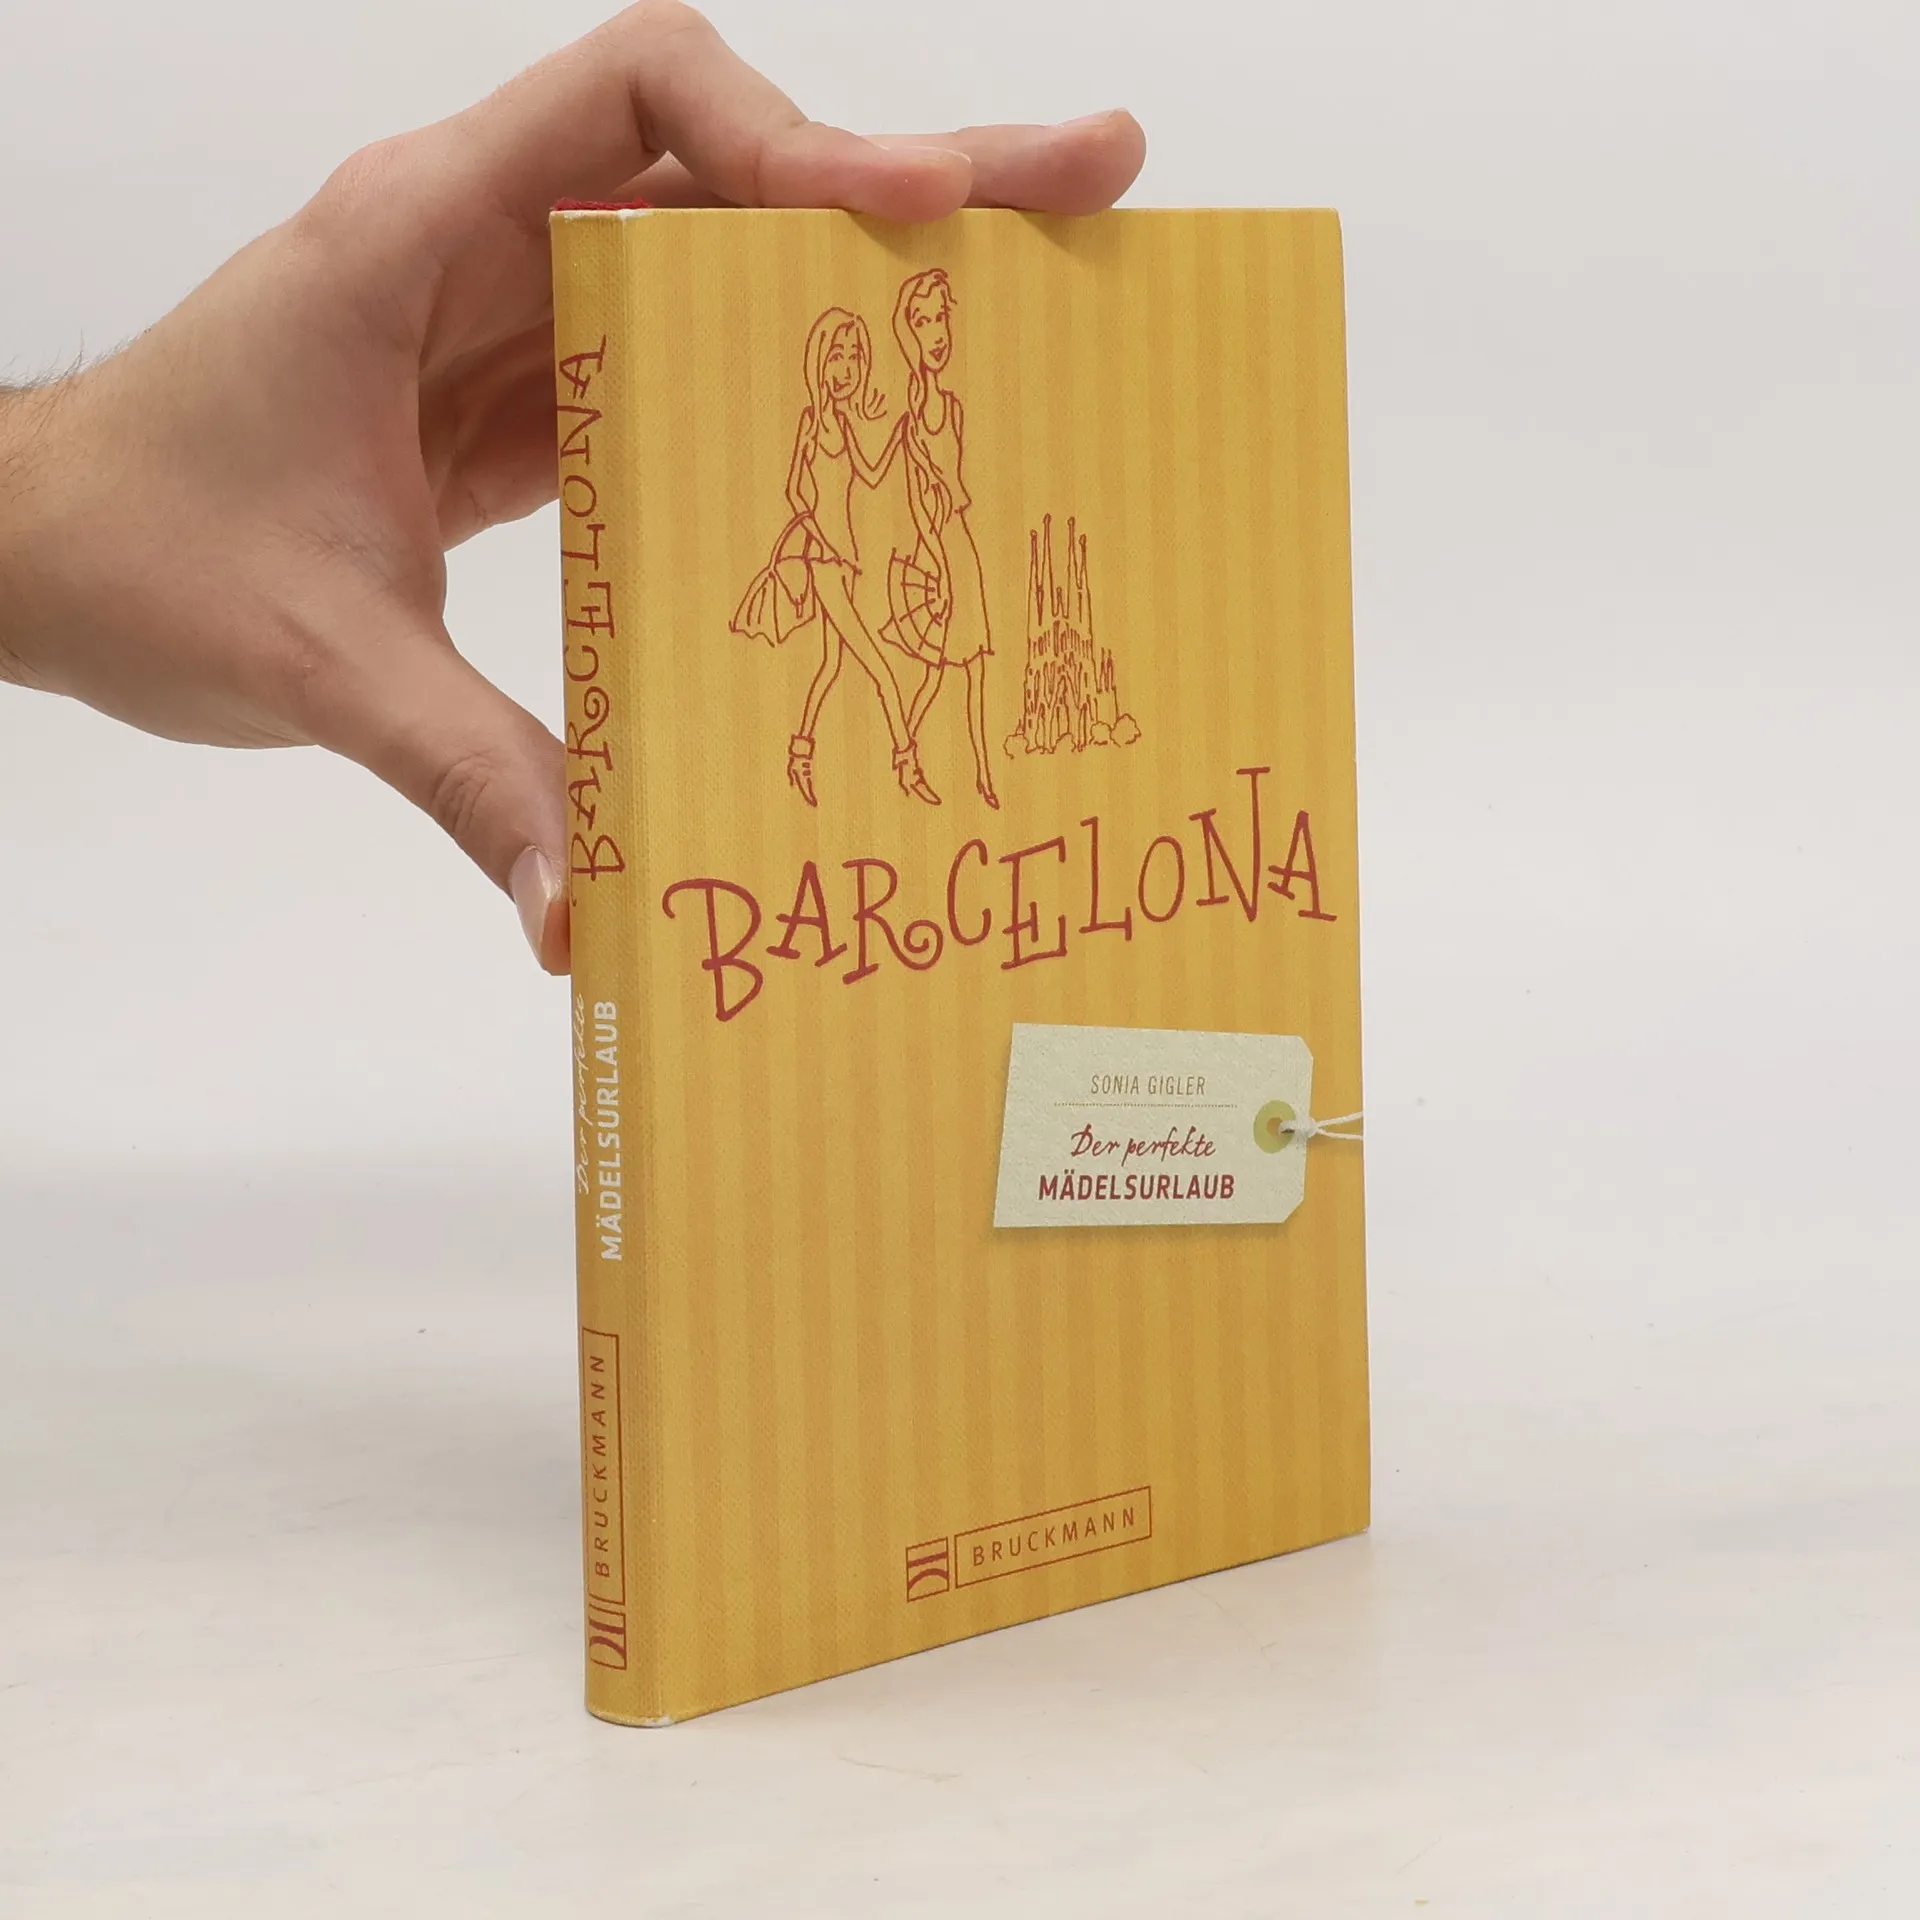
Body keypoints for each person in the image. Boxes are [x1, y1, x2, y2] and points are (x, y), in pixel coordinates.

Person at [0, 1, 1145, 969]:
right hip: (823, 561)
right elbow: (826, 500)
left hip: (883, 558)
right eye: (848, 359)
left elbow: (905, 477)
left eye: (865, 358)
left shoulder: (889, 416)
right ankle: (888, 755)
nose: (858, 369)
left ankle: (869, 754)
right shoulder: (828, 428)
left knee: (870, 665)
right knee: (869, 664)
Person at [729, 307, 938, 807]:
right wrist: (817, 535)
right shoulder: (812, 422)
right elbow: (794, 489)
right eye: (837, 356)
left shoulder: (841, 422)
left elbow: (870, 474)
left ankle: (799, 756)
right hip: (823, 564)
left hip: (842, 565)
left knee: (829, 665)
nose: (846, 368)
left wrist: (900, 433)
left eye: (855, 356)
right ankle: (907, 765)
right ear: (819, 363)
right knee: (882, 672)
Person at [882, 267, 999, 808]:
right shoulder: (910, 423)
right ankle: (905, 757)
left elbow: (954, 485)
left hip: (962, 542)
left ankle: (983, 774)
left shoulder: (952, 408)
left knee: (973, 668)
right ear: (909, 336)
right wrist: (940, 567)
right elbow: (918, 507)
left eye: (940, 319)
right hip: (940, 553)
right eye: (923, 322)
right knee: (935, 671)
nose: (936, 334)